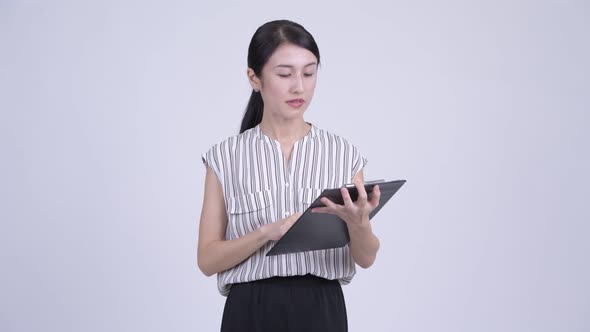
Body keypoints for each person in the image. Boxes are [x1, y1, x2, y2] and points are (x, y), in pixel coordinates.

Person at [198, 19, 381, 332]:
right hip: (249, 310)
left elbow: (365, 258)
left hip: (321, 309)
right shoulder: (225, 157)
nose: (299, 86)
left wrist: (358, 223)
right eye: (285, 74)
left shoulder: (343, 154)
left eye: (309, 73)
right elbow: (207, 260)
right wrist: (266, 233)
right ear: (254, 78)